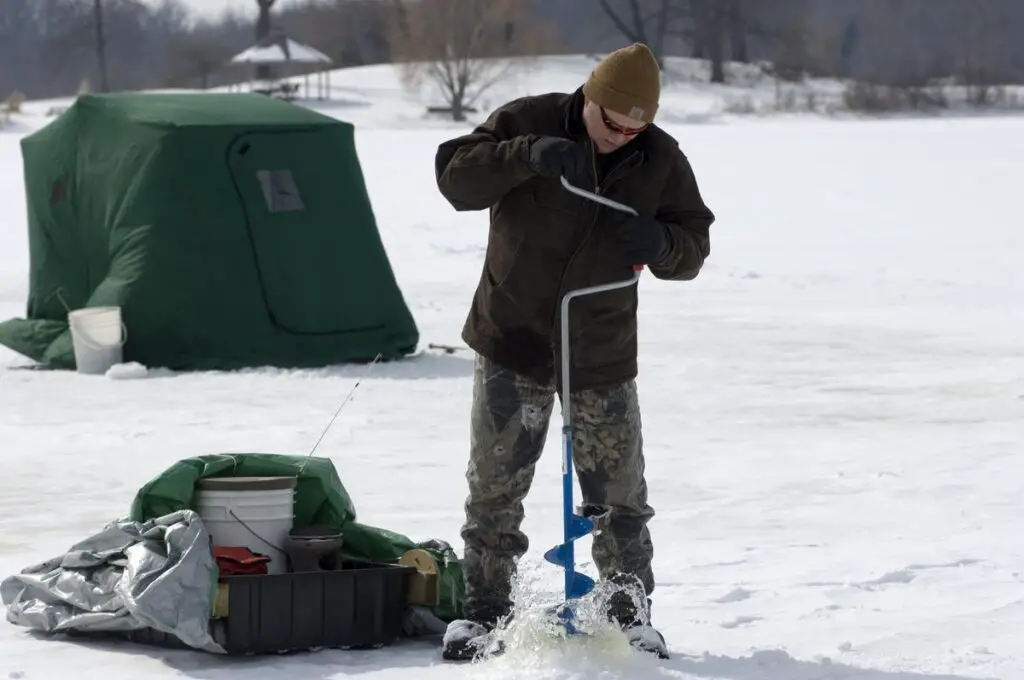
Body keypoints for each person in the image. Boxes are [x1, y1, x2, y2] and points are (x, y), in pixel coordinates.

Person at [433, 42, 715, 661]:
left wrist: (663, 242)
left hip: (600, 350)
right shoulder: (527, 120)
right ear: (589, 97)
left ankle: (630, 617)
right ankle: (482, 615)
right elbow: (454, 179)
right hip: (514, 337)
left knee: (620, 500)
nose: (621, 137)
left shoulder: (661, 158)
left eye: (634, 128)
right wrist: (525, 156)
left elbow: (694, 245)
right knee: (494, 492)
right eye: (611, 123)